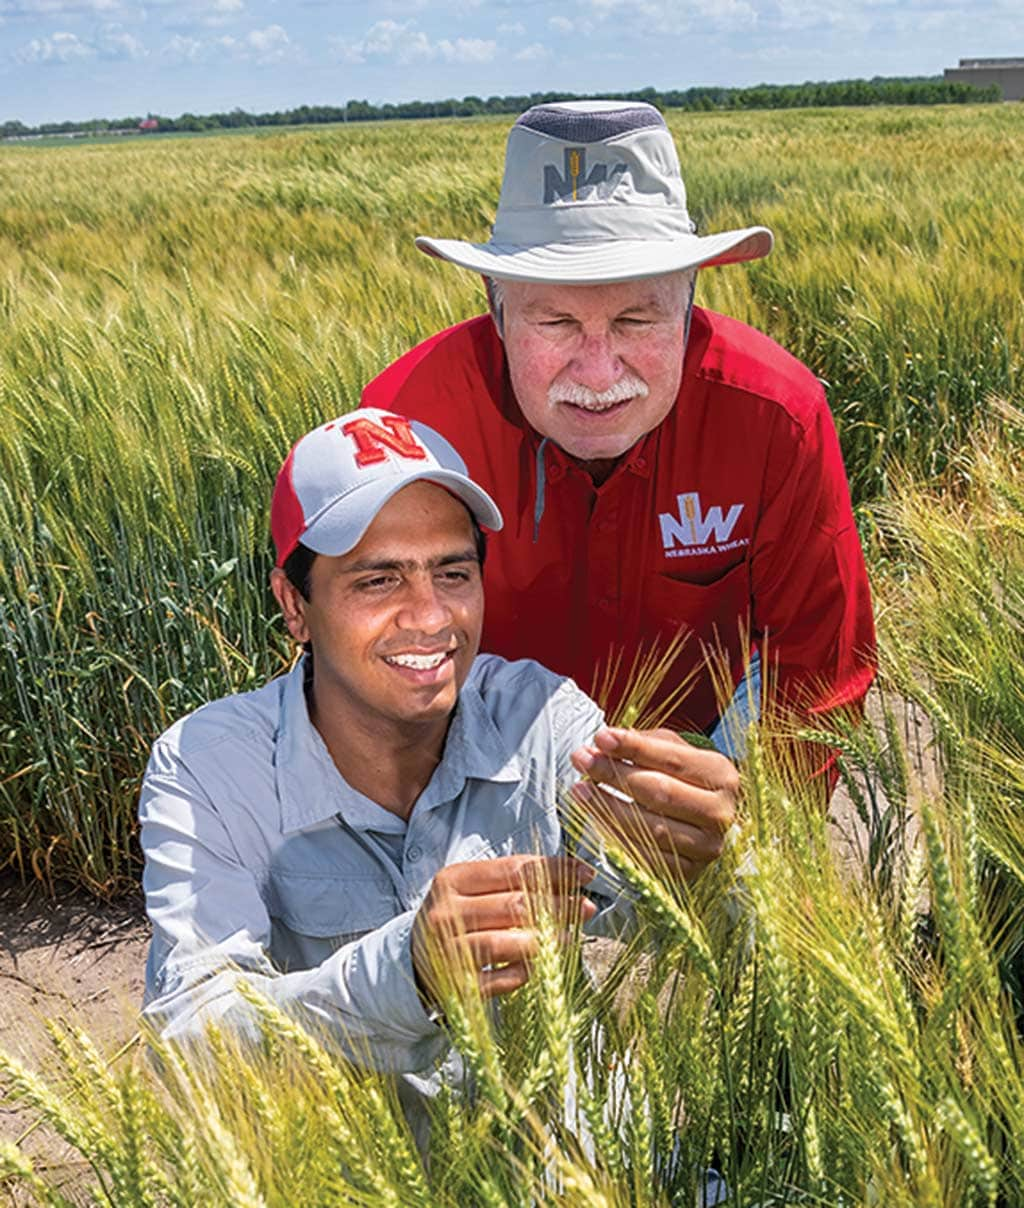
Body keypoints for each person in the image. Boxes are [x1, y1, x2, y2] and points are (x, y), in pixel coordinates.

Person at [139, 407, 739, 1140]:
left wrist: (698, 854)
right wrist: (410, 974)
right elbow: (195, 1048)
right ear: (295, 606)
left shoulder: (537, 715)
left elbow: (644, 903)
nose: (429, 617)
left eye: (452, 572)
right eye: (378, 580)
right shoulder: (208, 767)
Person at [361, 100, 876, 759]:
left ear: (690, 298)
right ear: (494, 303)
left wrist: (730, 807)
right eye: (556, 324)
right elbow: (373, 664)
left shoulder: (777, 417)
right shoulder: (408, 423)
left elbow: (815, 663)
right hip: (473, 771)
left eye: (637, 322)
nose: (600, 375)